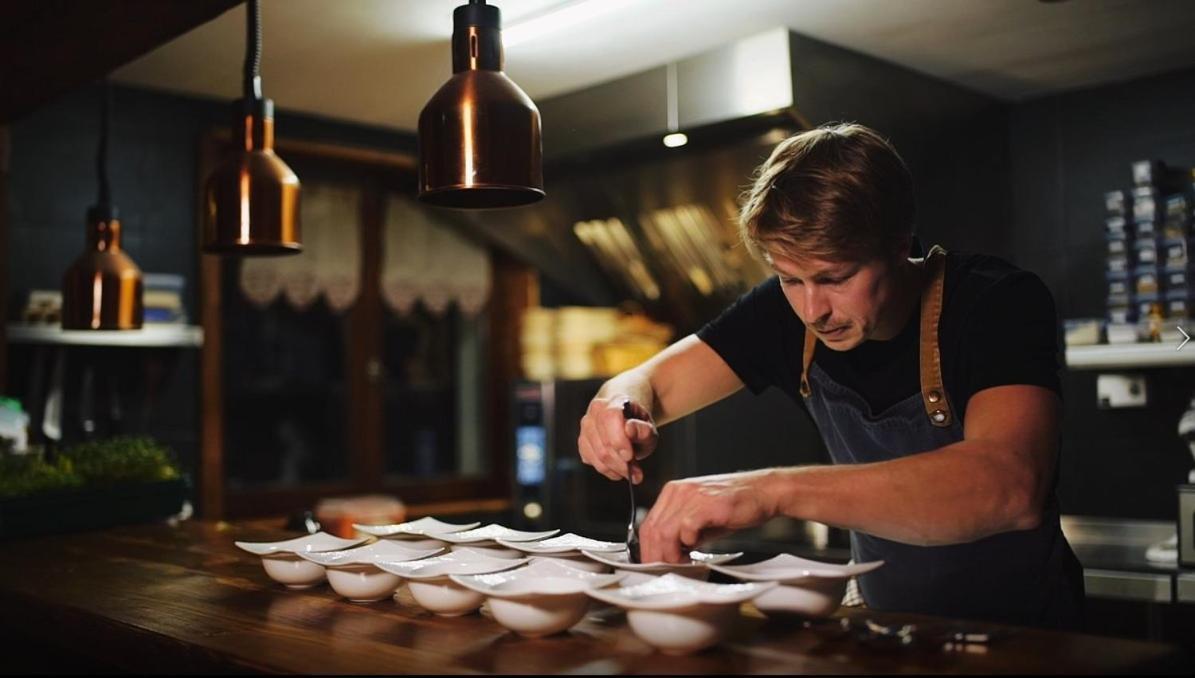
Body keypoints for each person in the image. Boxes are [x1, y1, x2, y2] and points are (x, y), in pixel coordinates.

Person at [576, 122, 1085, 629]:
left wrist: (768, 491)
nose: (813, 309)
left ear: (899, 243)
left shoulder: (995, 302)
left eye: (835, 278)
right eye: (790, 279)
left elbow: (1009, 485)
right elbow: (648, 384)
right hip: (891, 633)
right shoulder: (783, 312)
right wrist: (617, 405)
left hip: (1024, 638)